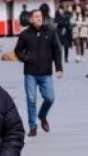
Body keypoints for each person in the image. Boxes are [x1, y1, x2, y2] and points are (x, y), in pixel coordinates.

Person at [13, 9, 63, 137]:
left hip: (46, 72)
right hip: (30, 73)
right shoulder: (25, 34)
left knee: (50, 98)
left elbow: (57, 50)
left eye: (40, 16)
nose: (39, 18)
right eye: (36, 17)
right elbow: (18, 50)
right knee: (31, 99)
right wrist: (26, 58)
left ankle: (42, 115)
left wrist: (59, 68)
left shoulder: (50, 32)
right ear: (31, 19)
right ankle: (33, 126)